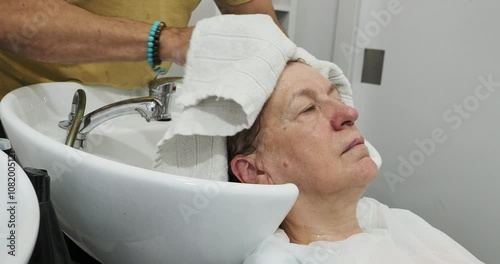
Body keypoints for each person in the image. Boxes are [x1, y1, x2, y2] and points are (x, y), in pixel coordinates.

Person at [227, 62, 483, 263]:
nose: (349, 113)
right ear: (254, 170)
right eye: (308, 109)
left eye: (337, 98)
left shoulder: (399, 223)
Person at [0, 0, 284, 99]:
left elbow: (261, 28)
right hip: (20, 118)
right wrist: (167, 41)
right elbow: (10, 19)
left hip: (126, 114)